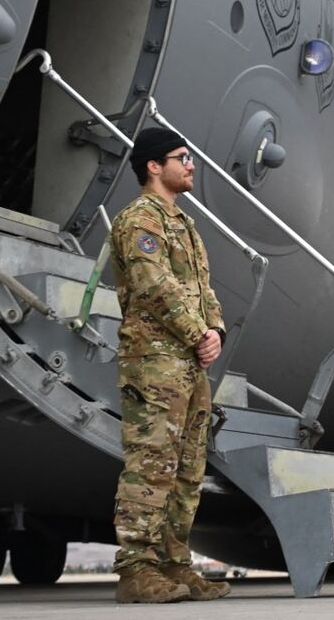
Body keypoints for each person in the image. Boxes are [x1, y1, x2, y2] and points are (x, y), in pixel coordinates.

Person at [108, 127, 230, 604]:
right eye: (183, 157)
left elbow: (204, 290)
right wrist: (199, 333)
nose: (191, 164)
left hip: (188, 363)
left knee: (187, 470)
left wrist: (215, 330)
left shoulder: (185, 224)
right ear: (154, 166)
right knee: (151, 464)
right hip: (155, 361)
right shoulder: (140, 219)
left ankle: (175, 564)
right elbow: (152, 285)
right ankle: (136, 570)